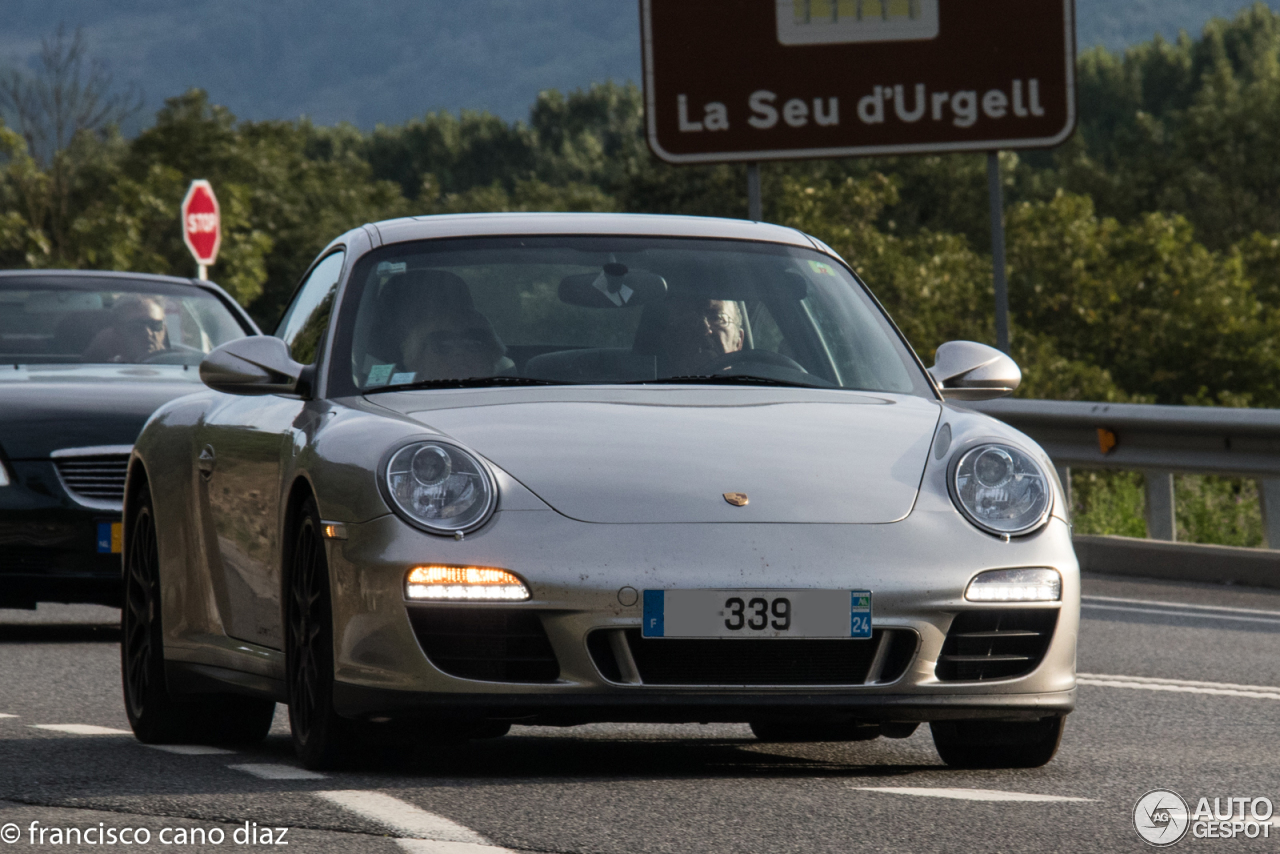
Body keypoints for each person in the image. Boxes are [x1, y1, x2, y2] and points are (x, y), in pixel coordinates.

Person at [400, 305, 507, 381]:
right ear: (417, 361)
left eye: (473, 343)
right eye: (443, 344)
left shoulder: (517, 398)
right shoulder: (392, 402)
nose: (459, 352)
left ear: (492, 359)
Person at [658, 297, 745, 376]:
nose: (705, 329)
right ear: (670, 342)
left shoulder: (753, 390)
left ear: (738, 341)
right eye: (690, 320)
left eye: (716, 318)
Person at [83, 296, 169, 363]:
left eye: (155, 325)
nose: (148, 333)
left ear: (164, 329)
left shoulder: (177, 364)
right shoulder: (96, 366)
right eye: (136, 326)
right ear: (118, 331)